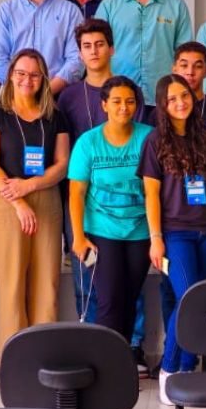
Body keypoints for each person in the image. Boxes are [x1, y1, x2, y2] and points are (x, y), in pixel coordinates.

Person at [139, 74, 206, 404]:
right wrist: (155, 238)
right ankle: (169, 369)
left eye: (185, 96)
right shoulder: (154, 141)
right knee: (188, 298)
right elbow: (151, 194)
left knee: (202, 301)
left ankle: (187, 365)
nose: (181, 102)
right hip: (175, 234)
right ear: (163, 105)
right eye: (172, 98)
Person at [0, 49, 69, 364]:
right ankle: (13, 360)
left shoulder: (54, 115)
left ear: (43, 78)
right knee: (12, 285)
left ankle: (45, 358)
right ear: (11, 75)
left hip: (45, 198)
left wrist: (31, 186)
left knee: (47, 284)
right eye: (21, 73)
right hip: (6, 201)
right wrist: (18, 201)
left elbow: (62, 164)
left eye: (34, 74)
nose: (27, 79)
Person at [68, 76, 153, 339]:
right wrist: (79, 237)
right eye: (116, 101)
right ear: (104, 105)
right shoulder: (88, 142)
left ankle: (124, 358)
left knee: (129, 297)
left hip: (140, 232)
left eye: (129, 101)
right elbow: (76, 193)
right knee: (109, 299)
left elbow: (154, 190)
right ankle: (105, 364)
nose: (123, 107)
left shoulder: (148, 137)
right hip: (100, 234)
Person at [57, 18, 122, 323]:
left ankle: (130, 344)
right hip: (80, 198)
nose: (94, 51)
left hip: (122, 198)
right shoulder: (68, 96)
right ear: (79, 53)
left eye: (99, 45)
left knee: (125, 274)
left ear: (111, 48)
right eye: (87, 46)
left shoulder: (126, 90)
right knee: (85, 269)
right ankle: (89, 332)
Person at [95, 0, 192, 103]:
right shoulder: (109, 6)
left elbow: (184, 55)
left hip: (163, 97)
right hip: (120, 98)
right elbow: (98, 52)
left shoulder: (177, 6)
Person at [172, 42, 206, 126]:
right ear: (174, 69)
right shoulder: (162, 111)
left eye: (198, 66)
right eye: (184, 65)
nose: (190, 72)